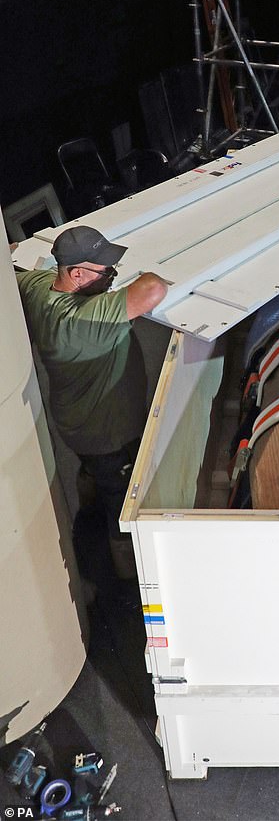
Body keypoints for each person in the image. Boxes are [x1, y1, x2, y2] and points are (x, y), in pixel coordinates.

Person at [14, 225, 168, 590]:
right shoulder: (82, 320)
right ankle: (128, 582)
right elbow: (153, 289)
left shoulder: (39, 288)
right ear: (76, 274)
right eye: (105, 271)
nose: (112, 277)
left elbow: (16, 269)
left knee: (97, 479)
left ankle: (91, 510)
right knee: (123, 502)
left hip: (78, 422)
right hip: (108, 434)